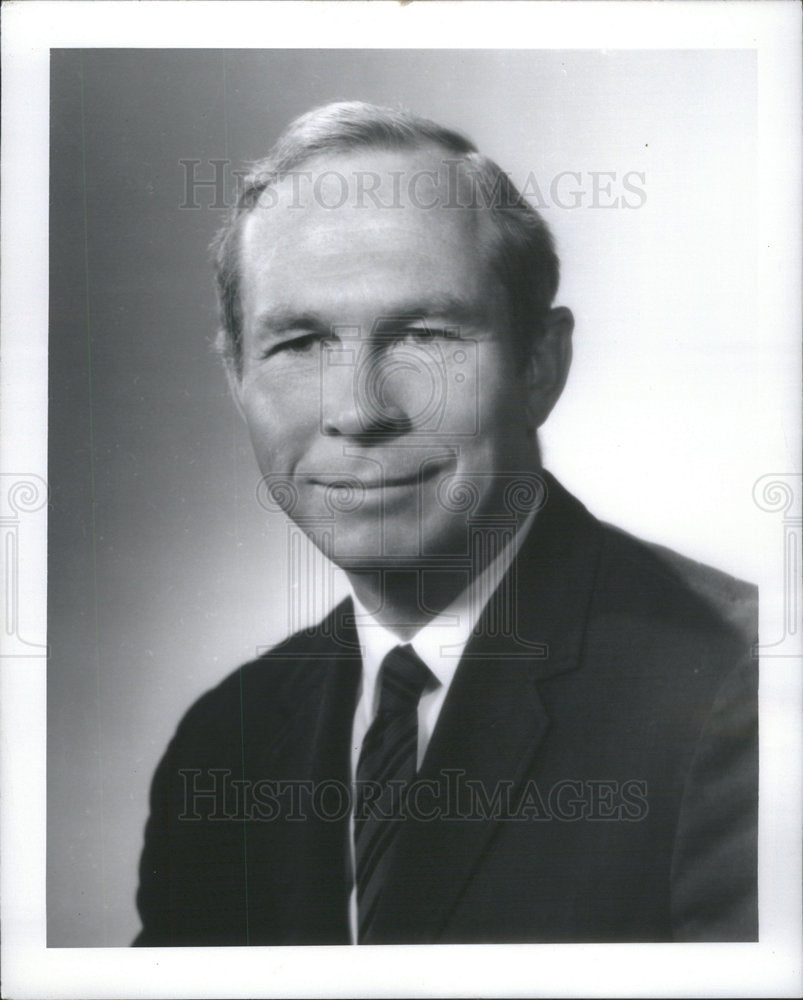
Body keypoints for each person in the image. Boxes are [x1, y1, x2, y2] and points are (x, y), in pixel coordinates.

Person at [134, 102, 757, 946]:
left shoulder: (747, 695)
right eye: (300, 343)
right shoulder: (226, 739)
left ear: (540, 364)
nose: (357, 410)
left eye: (423, 334)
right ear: (235, 377)